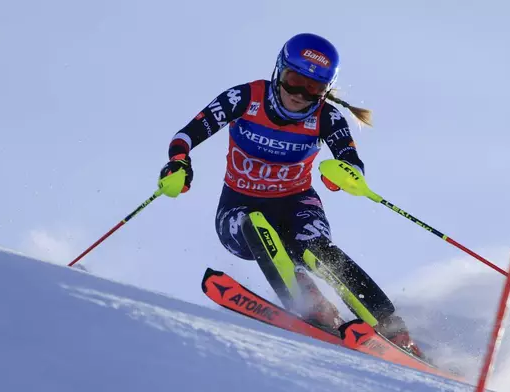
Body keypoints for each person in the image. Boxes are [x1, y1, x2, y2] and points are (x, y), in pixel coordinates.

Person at [158, 33, 422, 358]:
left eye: (313, 88)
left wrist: (344, 175)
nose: (299, 94)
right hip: (238, 206)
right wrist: (179, 163)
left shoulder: (326, 116)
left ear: (325, 91)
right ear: (279, 71)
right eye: (294, 80)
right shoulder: (245, 97)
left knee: (316, 249)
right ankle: (310, 303)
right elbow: (187, 134)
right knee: (254, 225)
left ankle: (391, 328)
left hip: (297, 203)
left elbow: (349, 159)